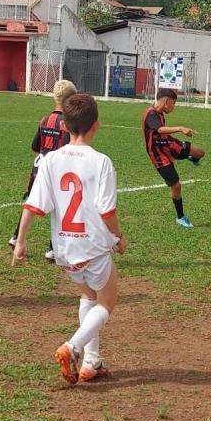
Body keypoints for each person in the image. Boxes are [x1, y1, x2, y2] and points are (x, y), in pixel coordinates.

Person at [12, 93, 126, 384]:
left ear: (63, 125)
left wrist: (21, 241)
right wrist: (119, 237)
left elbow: (34, 204)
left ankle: (91, 362)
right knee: (107, 301)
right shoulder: (101, 162)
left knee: (88, 296)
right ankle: (73, 347)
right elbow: (107, 210)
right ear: (96, 126)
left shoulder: (50, 160)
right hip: (94, 246)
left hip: (64, 248)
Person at [9, 79, 76, 260]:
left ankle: (16, 238)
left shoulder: (45, 119)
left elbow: (34, 146)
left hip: (39, 166)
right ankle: (53, 249)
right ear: (70, 100)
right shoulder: (68, 123)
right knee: (61, 207)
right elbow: (68, 150)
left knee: (32, 203)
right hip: (57, 169)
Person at [141, 88, 205, 228]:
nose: (174, 107)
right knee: (176, 185)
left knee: (200, 153)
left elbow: (162, 132)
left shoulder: (160, 113)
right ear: (166, 101)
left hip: (168, 144)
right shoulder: (151, 114)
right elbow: (159, 129)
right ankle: (181, 217)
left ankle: (189, 156)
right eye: (174, 104)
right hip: (157, 154)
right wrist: (181, 128)